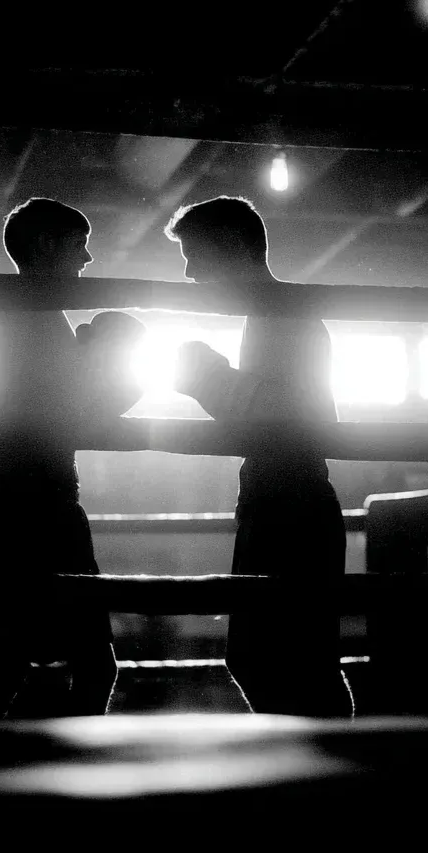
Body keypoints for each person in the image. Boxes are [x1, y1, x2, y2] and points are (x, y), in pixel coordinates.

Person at [165, 196, 354, 718]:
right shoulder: (273, 315)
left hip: (289, 499)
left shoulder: (285, 317)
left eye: (195, 255)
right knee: (276, 658)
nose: (189, 272)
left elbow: (291, 415)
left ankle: (320, 775)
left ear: (233, 246)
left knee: (278, 659)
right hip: (284, 496)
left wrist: (208, 377)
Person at [0, 197, 144, 718]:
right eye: (79, 245)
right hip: (37, 498)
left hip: (23, 494)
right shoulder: (29, 318)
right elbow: (76, 415)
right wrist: (119, 366)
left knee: (10, 663)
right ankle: (66, 777)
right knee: (84, 663)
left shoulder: (29, 315)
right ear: (47, 245)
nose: (87, 259)